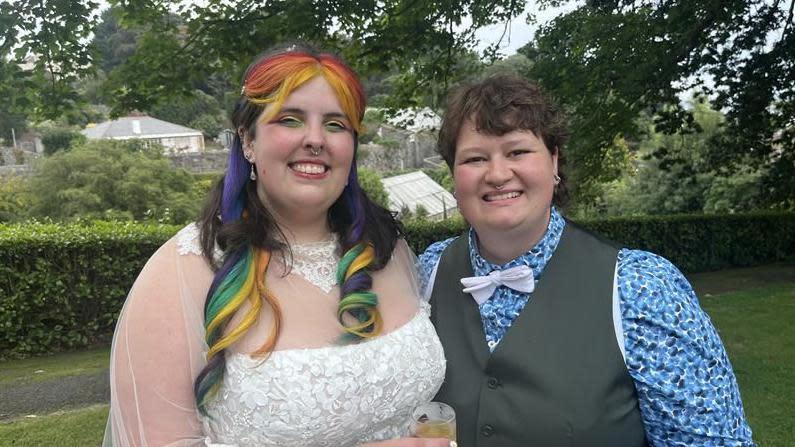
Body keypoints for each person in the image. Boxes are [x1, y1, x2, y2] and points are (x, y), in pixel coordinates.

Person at [103, 45, 450, 447]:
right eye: (290, 119)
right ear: (247, 141)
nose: (316, 140)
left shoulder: (387, 248)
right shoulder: (183, 272)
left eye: (336, 125)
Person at [418, 74, 756, 446]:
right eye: (476, 158)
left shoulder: (639, 287)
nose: (497, 174)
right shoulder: (427, 273)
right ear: (454, 176)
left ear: (554, 161)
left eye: (517, 152)